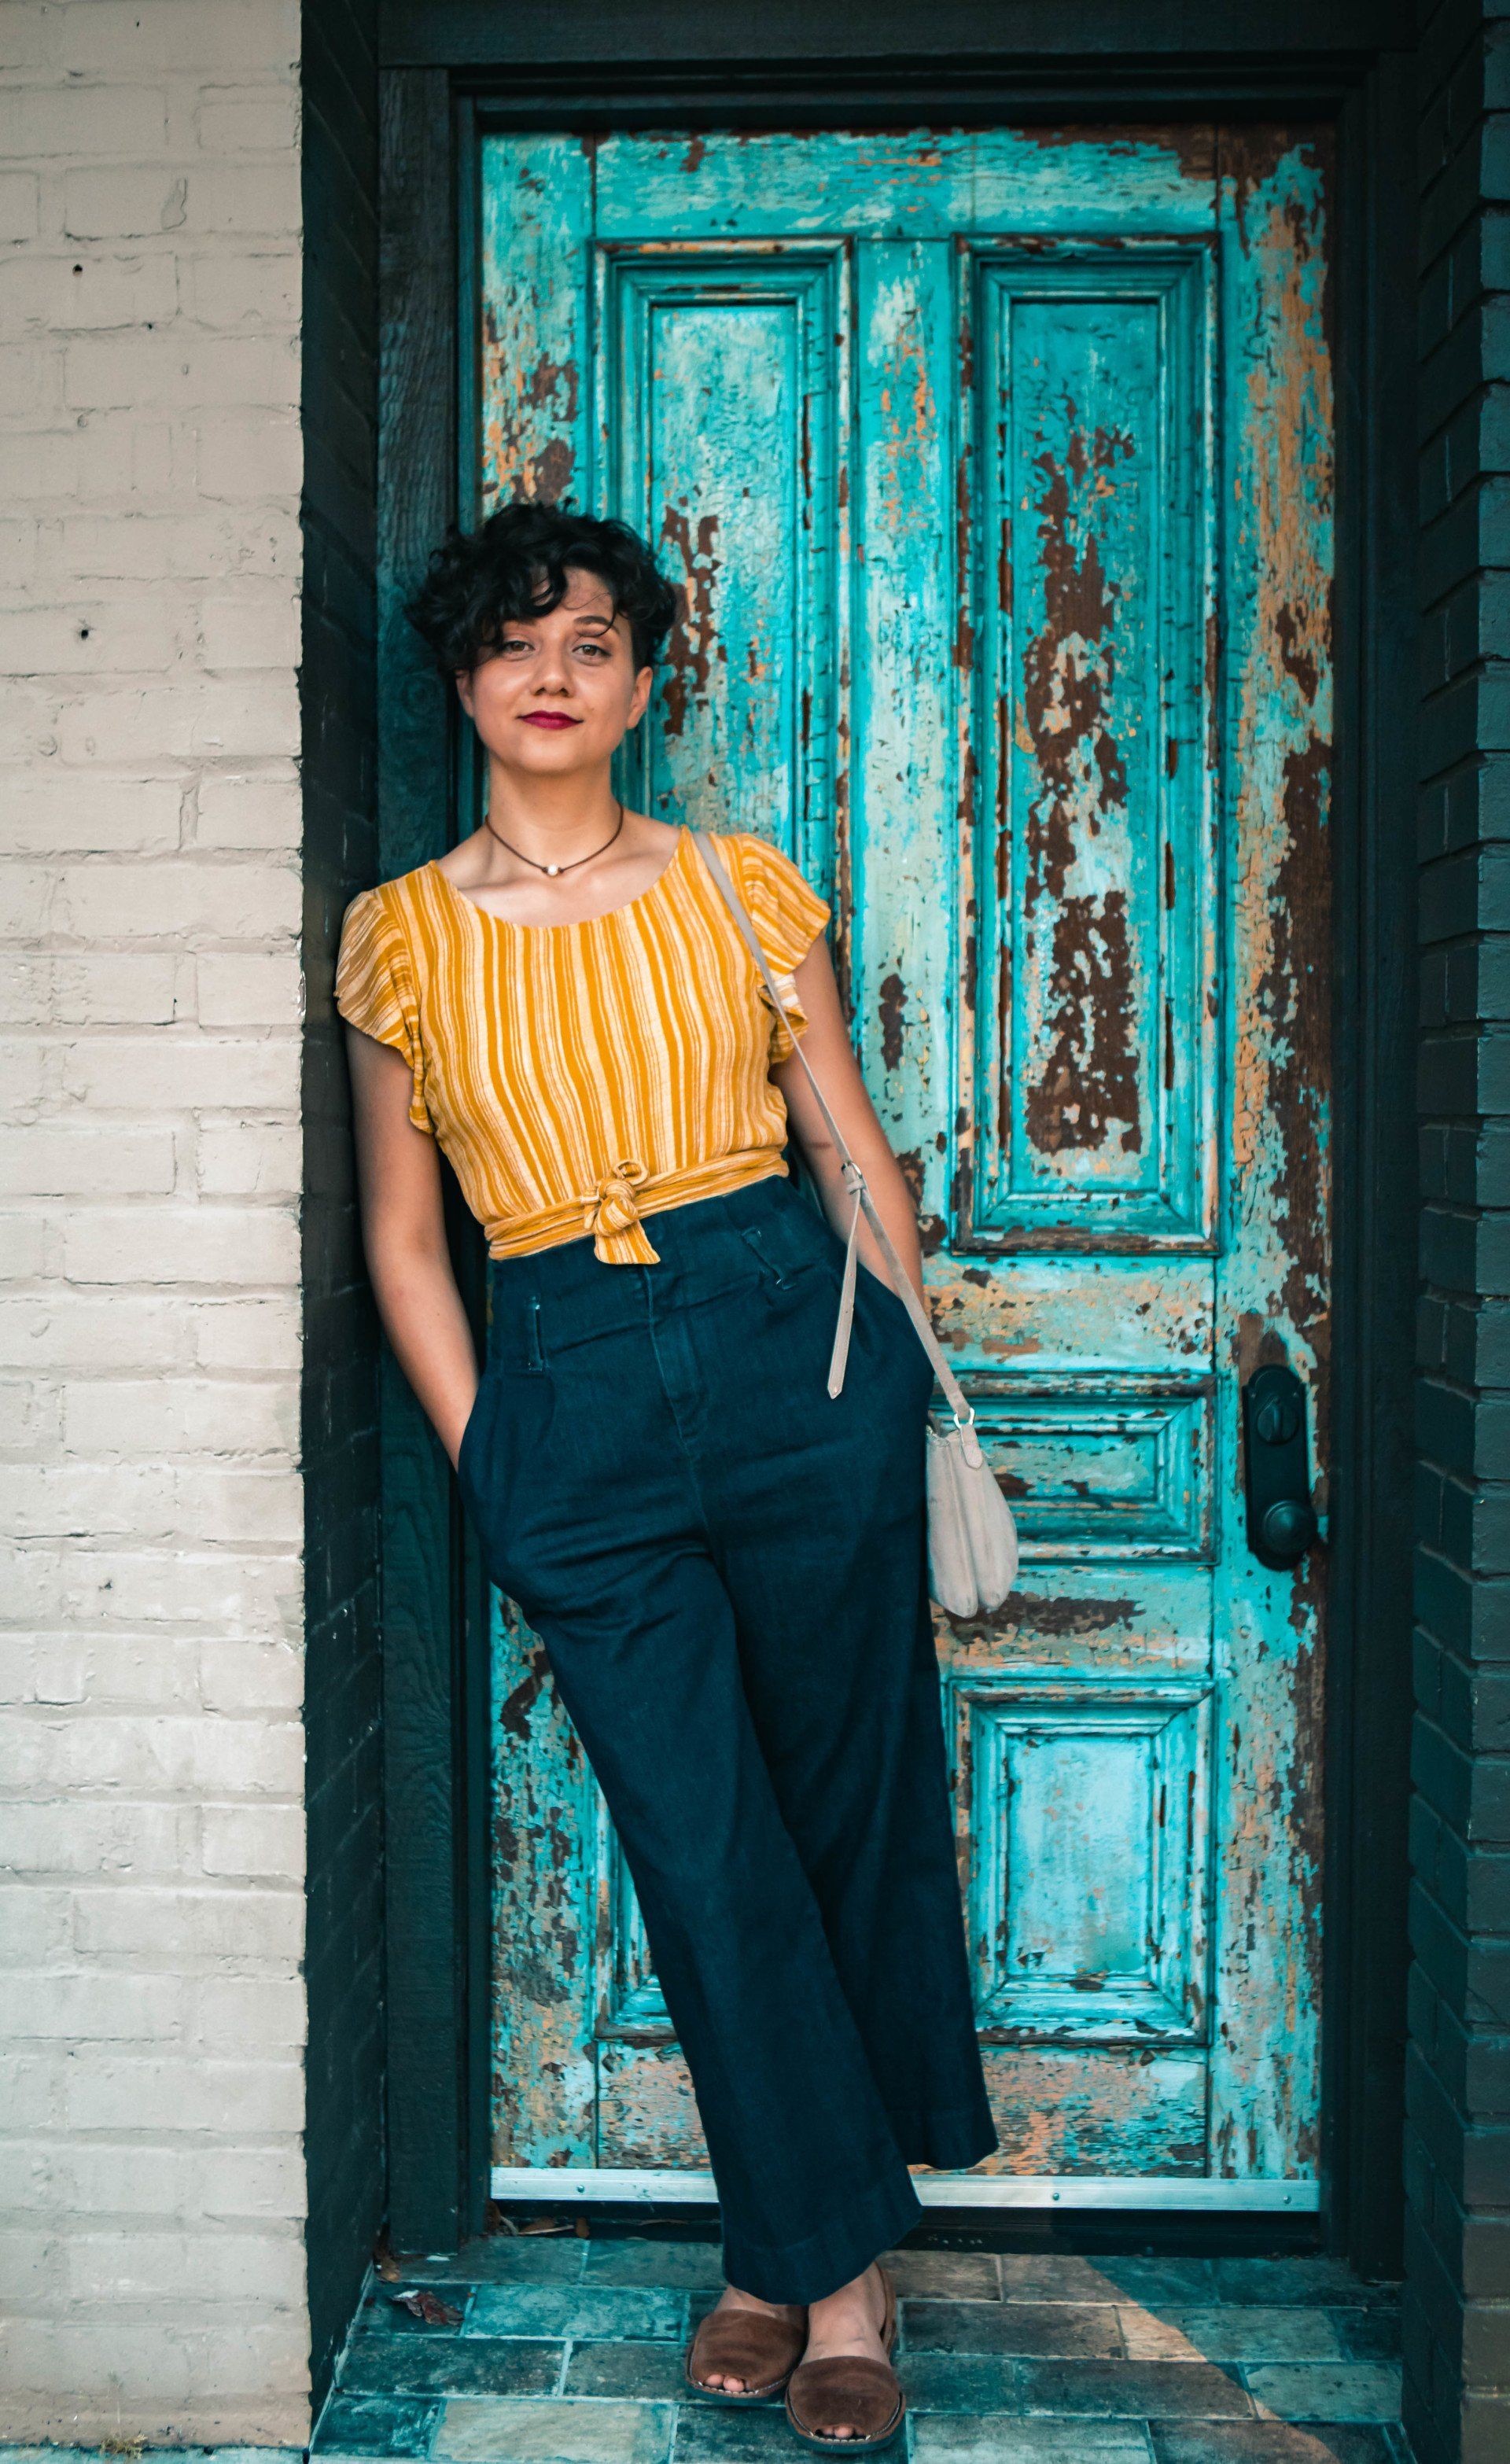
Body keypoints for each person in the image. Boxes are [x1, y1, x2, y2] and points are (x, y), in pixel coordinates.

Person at [336, 501, 997, 2450]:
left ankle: (807, 2272)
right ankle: (812, 2241)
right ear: (467, 677)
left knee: (843, 1811)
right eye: (519, 642)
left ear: (641, 680)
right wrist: (498, 1455)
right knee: (704, 1847)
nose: (556, 675)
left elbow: (851, 1153)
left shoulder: (735, 888)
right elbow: (400, 1236)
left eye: (595, 642)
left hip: (789, 1337)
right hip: (565, 1377)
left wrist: (887, 1375)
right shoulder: (402, 935)